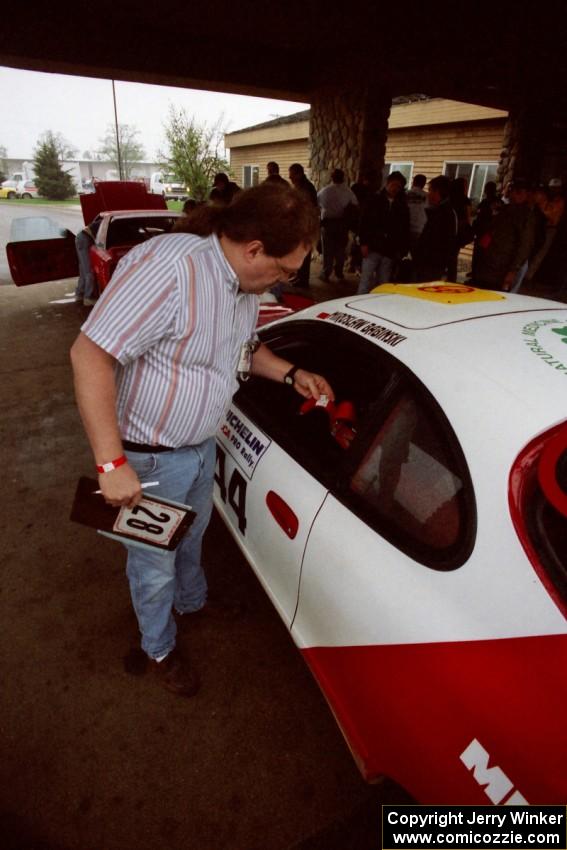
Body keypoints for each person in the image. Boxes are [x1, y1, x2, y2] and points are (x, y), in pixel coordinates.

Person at [70, 183, 334, 698]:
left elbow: (240, 349)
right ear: (254, 248)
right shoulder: (171, 270)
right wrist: (110, 463)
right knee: (152, 564)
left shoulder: (242, 284)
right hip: (147, 457)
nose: (283, 281)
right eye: (284, 270)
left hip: (197, 447)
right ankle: (159, 646)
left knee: (192, 537)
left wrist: (289, 373)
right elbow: (89, 355)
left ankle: (192, 603)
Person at [473, 178, 537, 291]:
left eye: (515, 192)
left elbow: (525, 245)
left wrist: (513, 270)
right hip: (487, 264)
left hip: (502, 269)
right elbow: (490, 232)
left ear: (524, 194)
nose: (511, 194)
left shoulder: (527, 216)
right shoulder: (505, 209)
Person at [357, 171, 409, 294]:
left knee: (383, 283)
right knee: (365, 280)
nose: (395, 188)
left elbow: (404, 228)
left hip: (389, 250)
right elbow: (364, 222)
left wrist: (402, 250)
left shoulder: (402, 205)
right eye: (393, 184)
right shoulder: (374, 199)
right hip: (372, 246)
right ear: (387, 183)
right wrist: (363, 243)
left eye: (398, 186)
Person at [519, 187, 567, 301]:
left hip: (550, 287)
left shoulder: (562, 233)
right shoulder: (541, 226)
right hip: (529, 279)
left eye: (557, 201)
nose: (550, 205)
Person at [413, 175, 457, 282]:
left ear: (437, 192)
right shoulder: (442, 211)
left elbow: (434, 240)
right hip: (432, 262)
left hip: (431, 264)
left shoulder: (443, 214)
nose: (428, 194)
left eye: (430, 190)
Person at [317, 168, 359, 281]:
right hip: (342, 225)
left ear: (332, 177)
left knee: (327, 250)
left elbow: (317, 203)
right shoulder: (348, 191)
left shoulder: (325, 191)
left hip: (328, 224)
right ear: (343, 178)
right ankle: (339, 273)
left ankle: (326, 273)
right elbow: (355, 204)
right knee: (340, 250)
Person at [288, 163, 318, 287]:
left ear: (299, 174)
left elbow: (305, 209)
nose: (290, 178)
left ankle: (302, 280)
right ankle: (300, 278)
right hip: (302, 225)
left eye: (292, 175)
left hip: (304, 226)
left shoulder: (305, 188)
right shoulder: (302, 186)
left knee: (303, 254)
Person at [447, 177, 473, 281]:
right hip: (458, 231)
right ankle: (451, 279)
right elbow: (468, 217)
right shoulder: (465, 200)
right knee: (453, 257)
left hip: (448, 229)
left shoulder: (449, 198)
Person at [75, 216, 102, 307]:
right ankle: (88, 298)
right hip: (84, 239)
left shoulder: (102, 221)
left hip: (81, 237)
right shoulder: (105, 223)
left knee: (83, 270)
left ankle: (79, 294)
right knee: (89, 272)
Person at [406, 173, 428, 256]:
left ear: (413, 182)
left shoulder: (405, 194)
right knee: (416, 255)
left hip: (405, 228)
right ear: (423, 184)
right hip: (420, 229)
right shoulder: (427, 197)